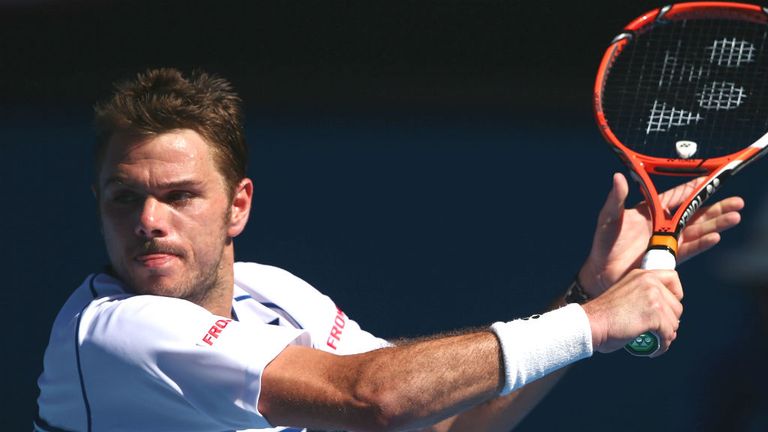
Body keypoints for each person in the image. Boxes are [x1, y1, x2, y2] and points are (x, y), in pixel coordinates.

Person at [34, 68, 744, 432]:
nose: (149, 220)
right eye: (124, 197)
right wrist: (592, 324)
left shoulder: (270, 290)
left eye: (181, 196)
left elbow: (442, 419)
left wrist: (585, 297)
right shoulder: (112, 331)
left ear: (237, 206)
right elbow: (375, 400)